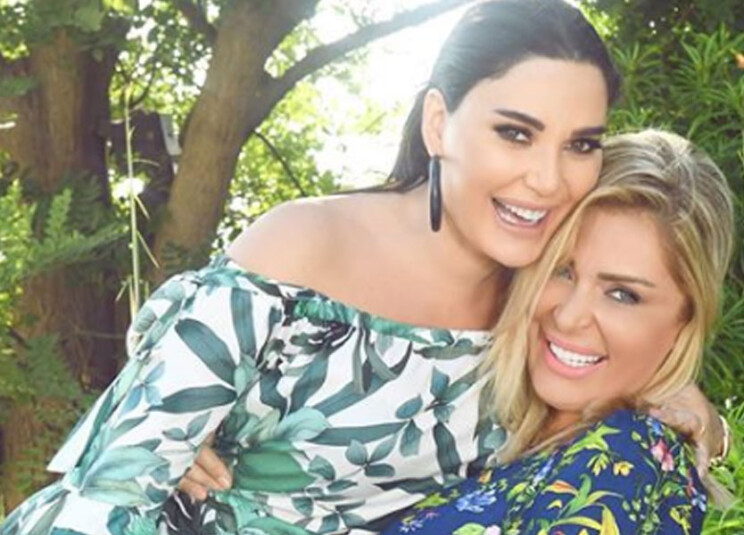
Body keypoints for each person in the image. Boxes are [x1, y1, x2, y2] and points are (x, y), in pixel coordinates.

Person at [0, 1, 726, 534]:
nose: (547, 179)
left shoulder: (542, 303)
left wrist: (686, 400)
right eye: (515, 133)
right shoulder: (304, 247)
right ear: (439, 124)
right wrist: (170, 434)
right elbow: (116, 484)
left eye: (580, 145)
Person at [381, 129, 735, 535]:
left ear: (684, 323)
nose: (568, 317)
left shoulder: (626, 452)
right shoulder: (472, 415)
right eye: (562, 270)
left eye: (623, 294)